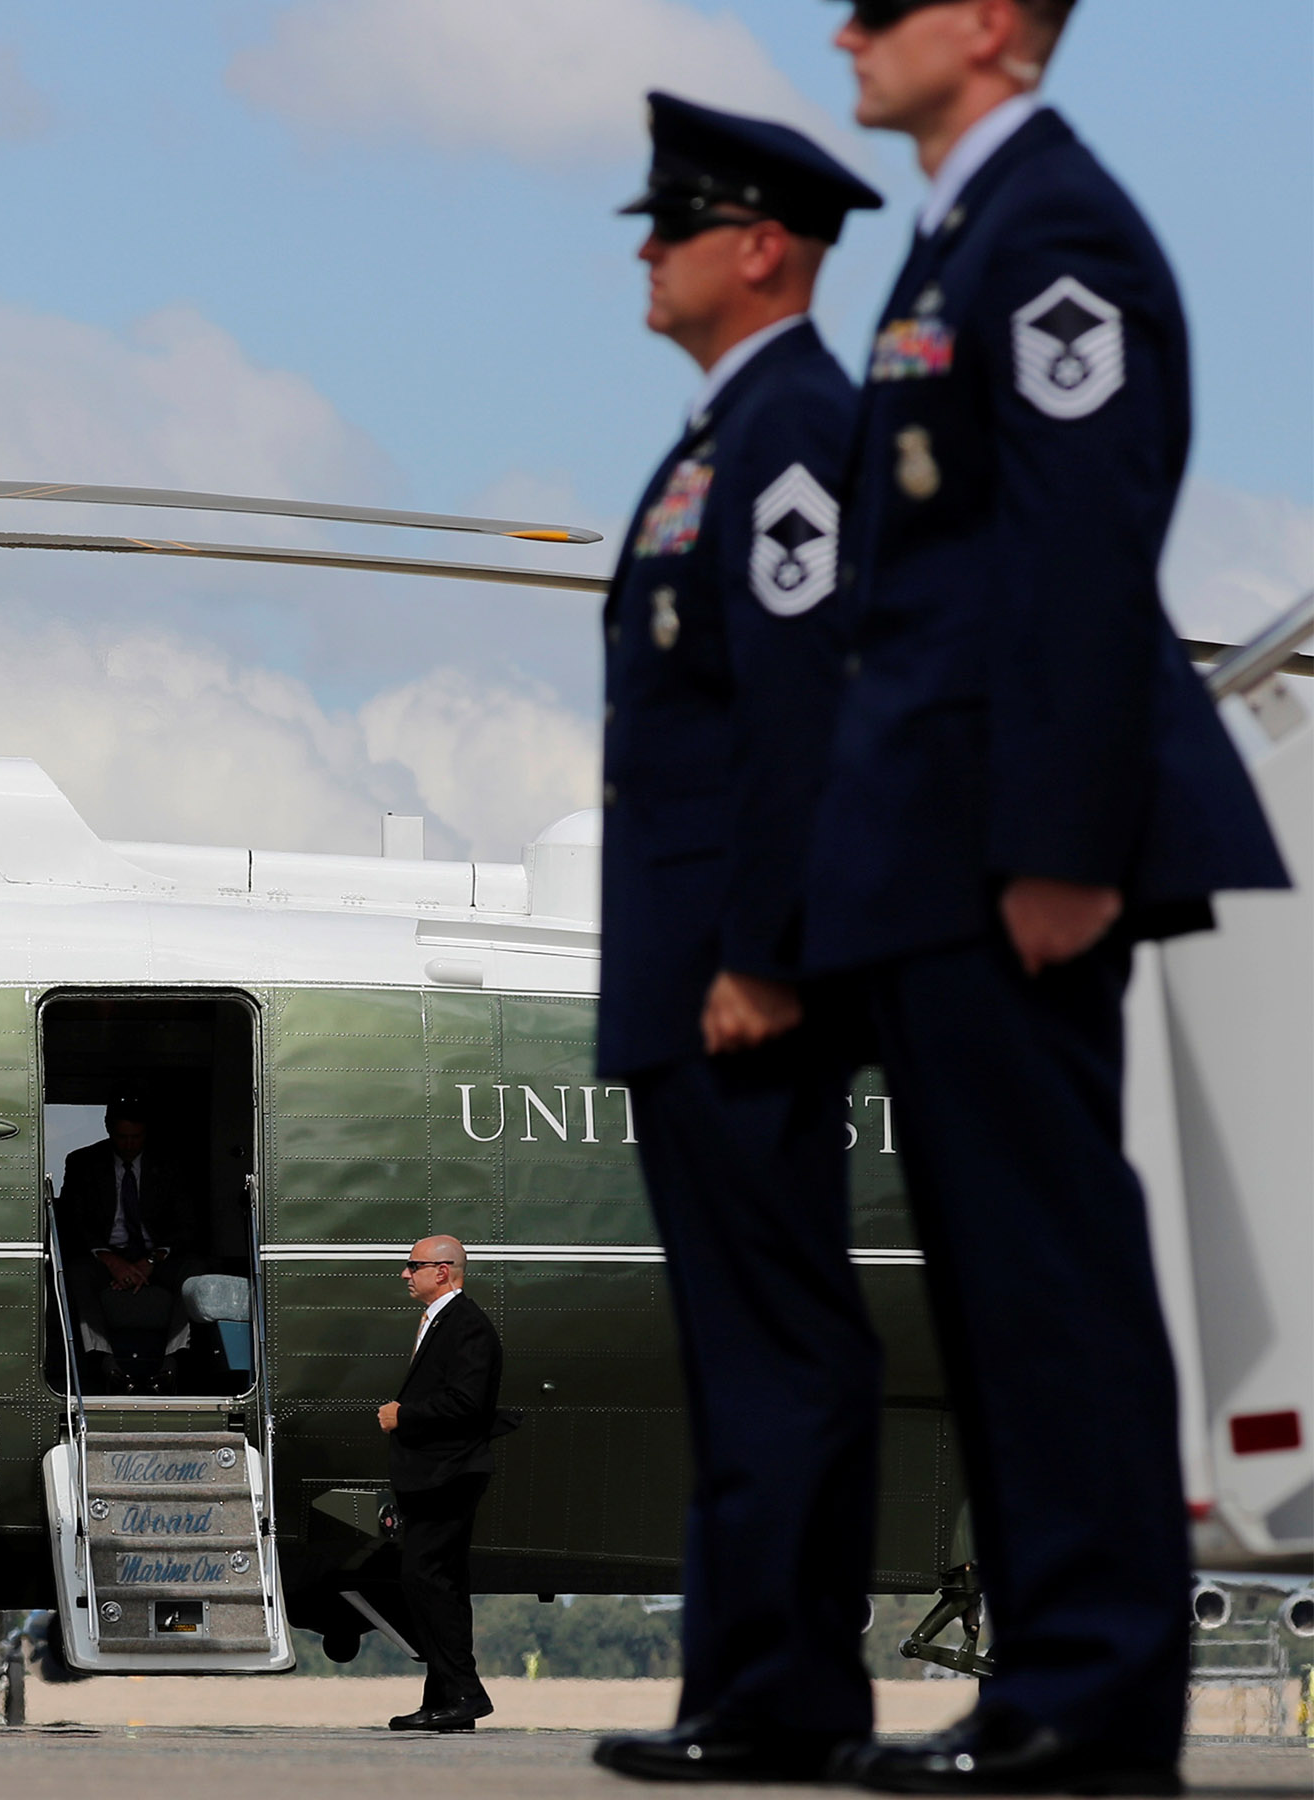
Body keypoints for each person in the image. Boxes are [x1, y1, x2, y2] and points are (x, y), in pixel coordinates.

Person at [802, 3, 1291, 1790]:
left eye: (879, 3)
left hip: (1017, 842)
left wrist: (1065, 841)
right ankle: (1046, 1688)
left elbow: (1085, 540)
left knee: (1054, 1275)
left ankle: (1093, 1693)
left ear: (993, 25)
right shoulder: (957, 233)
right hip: (942, 839)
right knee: (1002, 1285)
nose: (841, 30)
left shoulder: (1054, 230)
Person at [583, 95, 889, 1785]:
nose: (648, 249)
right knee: (741, 1341)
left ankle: (782, 1696)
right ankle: (748, 1685)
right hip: (686, 976)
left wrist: (766, 953)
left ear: (759, 246)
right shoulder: (721, 437)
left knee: (778, 1337)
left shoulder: (787, 435)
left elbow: (797, 715)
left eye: (674, 223)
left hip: (737, 983)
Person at [378, 1235, 500, 1734]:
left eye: (413, 1266)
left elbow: (468, 1404)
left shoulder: (467, 1326)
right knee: (439, 1582)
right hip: (434, 1472)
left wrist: (403, 1414)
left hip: (449, 1472)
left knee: (424, 1578)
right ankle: (444, 1700)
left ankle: (467, 1692)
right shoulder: (443, 1321)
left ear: (443, 1271)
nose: (405, 1275)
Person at [54, 1101, 207, 1393]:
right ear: (108, 1129)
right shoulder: (82, 1162)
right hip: (104, 1257)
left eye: (136, 1137)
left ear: (146, 1134)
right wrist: (110, 1259)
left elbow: (187, 1224)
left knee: (195, 1271)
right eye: (122, 1137)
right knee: (75, 1273)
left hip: (156, 1257)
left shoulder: (169, 1163)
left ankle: (171, 1363)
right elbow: (74, 1222)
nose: (128, 1144)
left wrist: (152, 1259)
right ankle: (106, 1362)